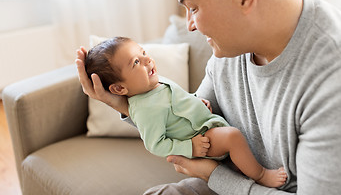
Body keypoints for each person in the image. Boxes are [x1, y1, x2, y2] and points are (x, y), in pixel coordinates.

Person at [76, 0, 341, 194]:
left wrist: (214, 175)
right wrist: (122, 105)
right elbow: (183, 119)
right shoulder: (232, 48)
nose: (190, 26)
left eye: (193, 8)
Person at [84, 36, 287, 188]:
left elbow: (176, 102)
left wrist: (195, 103)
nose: (147, 61)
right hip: (199, 139)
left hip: (204, 124)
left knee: (231, 139)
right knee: (232, 137)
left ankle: (238, 169)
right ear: (119, 89)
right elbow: (156, 144)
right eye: (135, 63)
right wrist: (189, 147)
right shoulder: (144, 109)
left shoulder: (154, 84)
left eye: (143, 53)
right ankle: (260, 175)